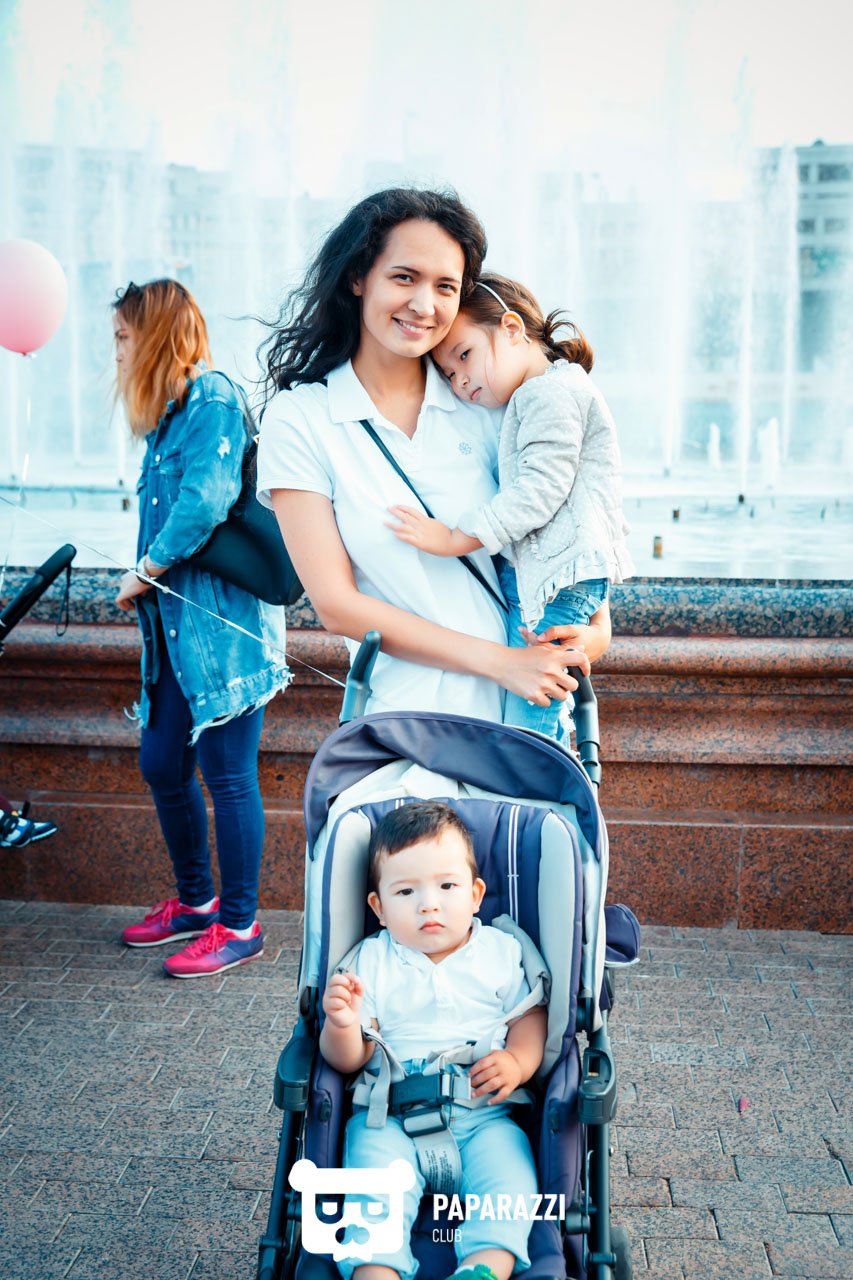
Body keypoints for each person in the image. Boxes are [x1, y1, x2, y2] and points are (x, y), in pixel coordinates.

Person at [256, 188, 611, 724]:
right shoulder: (300, 418)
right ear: (358, 278)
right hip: (406, 725)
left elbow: (571, 541)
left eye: (445, 286)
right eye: (404, 277)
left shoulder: (489, 397)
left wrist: (594, 634)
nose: (425, 305)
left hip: (527, 720)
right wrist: (502, 663)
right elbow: (336, 605)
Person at [112, 279, 289, 978]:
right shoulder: (164, 419)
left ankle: (239, 925)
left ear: (155, 335)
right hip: (172, 634)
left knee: (227, 774)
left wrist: (145, 569)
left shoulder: (211, 398)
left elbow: (205, 502)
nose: (117, 351)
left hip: (223, 635)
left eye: (124, 337)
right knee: (162, 764)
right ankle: (195, 903)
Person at [389, 273, 634, 741]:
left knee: (529, 720)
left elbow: (541, 489)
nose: (460, 381)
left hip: (555, 584)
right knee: (537, 711)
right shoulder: (546, 389)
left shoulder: (547, 393)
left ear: (512, 328)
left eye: (465, 355)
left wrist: (455, 538)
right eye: (449, 374)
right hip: (555, 579)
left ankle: (535, 784)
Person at [321, 801, 546, 1280]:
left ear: (476, 894)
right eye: (406, 891)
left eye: (447, 886)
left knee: (509, 1183)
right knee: (373, 1190)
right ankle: (376, 1271)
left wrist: (517, 1061)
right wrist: (340, 1024)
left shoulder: (501, 951)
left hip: (484, 1114)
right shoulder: (370, 962)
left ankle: (484, 1267)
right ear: (379, 909)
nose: (429, 904)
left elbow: (530, 1018)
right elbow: (350, 1060)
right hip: (387, 1116)